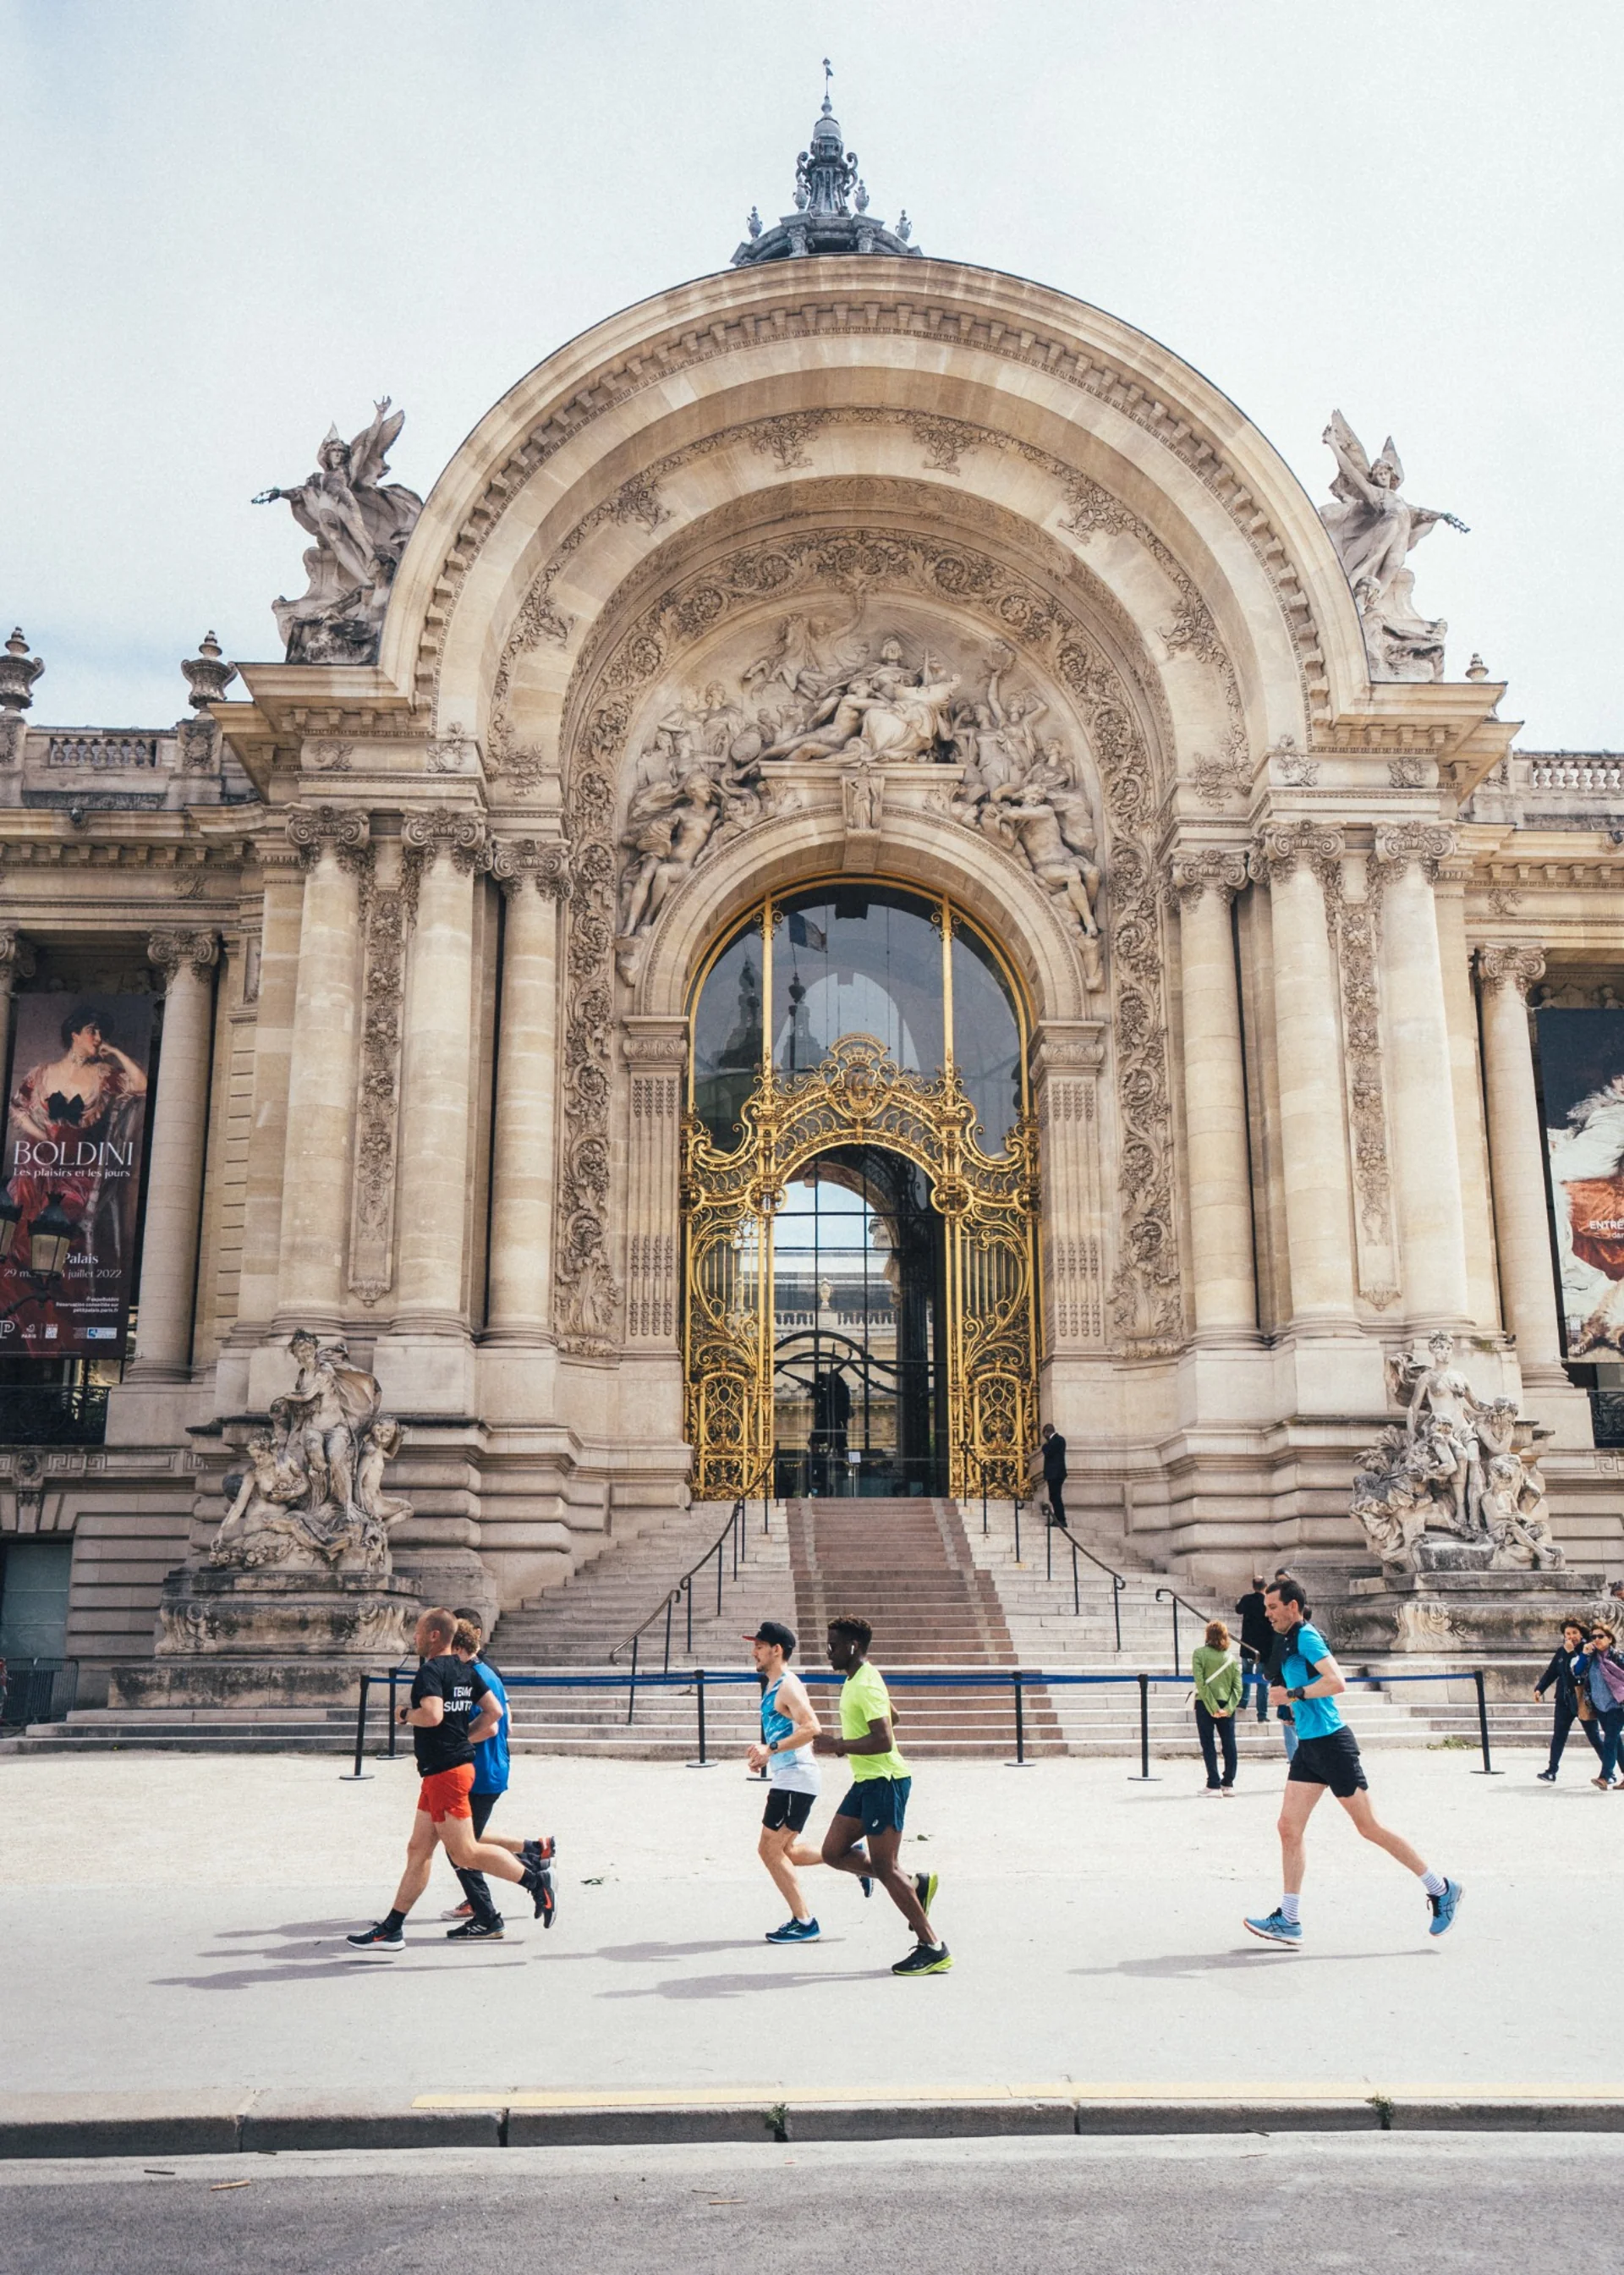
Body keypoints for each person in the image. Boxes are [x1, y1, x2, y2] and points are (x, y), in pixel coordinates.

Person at [1244, 1577, 1462, 1946]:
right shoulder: (1290, 1640)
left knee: (1369, 1827)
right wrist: (1292, 1708)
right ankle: (1290, 1918)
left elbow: (1337, 1682)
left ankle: (1441, 1888)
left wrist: (1293, 1694)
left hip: (1332, 1745)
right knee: (1288, 1828)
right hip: (1309, 1745)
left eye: (1272, 1608)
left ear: (1293, 1607)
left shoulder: (1307, 1637)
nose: (1267, 1615)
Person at [346, 1607, 552, 1954]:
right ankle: (392, 1928)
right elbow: (496, 1713)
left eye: (417, 1632)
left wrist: (403, 1715)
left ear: (433, 1636)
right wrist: (462, 1738)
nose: (413, 1637)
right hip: (444, 1771)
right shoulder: (465, 1670)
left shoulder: (430, 1671)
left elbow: (432, 1715)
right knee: (418, 1850)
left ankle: (536, 1883)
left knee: (466, 1851)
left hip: (445, 1773)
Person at [815, 1615, 949, 1976]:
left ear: (853, 1647)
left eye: (834, 1646)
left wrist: (838, 1745)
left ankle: (933, 1947)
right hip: (867, 1782)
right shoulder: (858, 1678)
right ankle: (915, 1884)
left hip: (885, 1781)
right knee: (833, 1852)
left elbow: (885, 1738)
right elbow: (895, 1717)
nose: (828, 1652)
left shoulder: (865, 1684)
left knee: (886, 1868)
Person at [440, 1612, 557, 1938]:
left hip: (480, 1769)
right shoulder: (485, 1672)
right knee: (465, 1840)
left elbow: (491, 1724)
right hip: (487, 1767)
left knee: (461, 1848)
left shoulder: (474, 1675)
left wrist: (454, 1740)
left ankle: (495, 1909)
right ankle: (534, 1855)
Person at [742, 1619, 826, 1943]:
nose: (754, 1652)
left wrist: (771, 1748)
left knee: (769, 1850)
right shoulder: (773, 1686)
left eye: (760, 1647)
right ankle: (849, 1854)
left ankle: (804, 1923)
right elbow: (785, 1732)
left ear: (777, 1650)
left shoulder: (788, 1684)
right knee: (785, 1850)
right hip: (789, 1777)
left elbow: (812, 1727)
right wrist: (763, 1754)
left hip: (796, 1779)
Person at [1533, 1619, 1604, 1782]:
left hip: (1583, 1700)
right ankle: (1551, 1770)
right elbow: (1552, 1672)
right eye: (1568, 1634)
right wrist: (1539, 1688)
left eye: (1574, 1633)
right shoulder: (1561, 1651)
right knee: (1559, 1735)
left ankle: (1610, 1770)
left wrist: (1572, 1653)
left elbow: (1578, 1671)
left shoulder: (1588, 1649)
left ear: (1581, 1633)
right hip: (1564, 1700)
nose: (1571, 1637)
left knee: (1594, 1737)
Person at [1191, 1619, 1242, 1795]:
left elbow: (1201, 1682)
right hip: (1227, 1702)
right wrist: (1228, 1708)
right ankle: (1228, 1782)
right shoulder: (1232, 1659)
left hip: (1205, 1703)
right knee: (1229, 1743)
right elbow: (1238, 1687)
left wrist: (1212, 1706)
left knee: (1208, 1743)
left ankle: (1213, 1783)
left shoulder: (1199, 1654)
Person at [1573, 1622, 1624, 1789]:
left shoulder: (1617, 1656)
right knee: (1616, 1742)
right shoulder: (1590, 1658)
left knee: (1609, 1740)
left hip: (1618, 1705)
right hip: (1600, 1706)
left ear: (1609, 1639)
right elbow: (1577, 1671)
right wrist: (1584, 1654)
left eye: (1600, 1636)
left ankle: (1604, 1776)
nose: (1596, 1640)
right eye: (1593, 1637)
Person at [1234, 1575, 1272, 1723]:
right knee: (1262, 1680)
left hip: (1247, 1645)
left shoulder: (1247, 1599)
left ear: (1253, 1586)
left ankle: (1243, 1701)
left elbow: (1238, 1610)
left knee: (1246, 1674)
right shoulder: (1267, 1601)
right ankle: (1261, 1713)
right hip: (1264, 1647)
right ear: (1265, 1586)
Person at [1039, 1422, 1067, 1529]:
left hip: (1054, 1475)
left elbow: (1048, 1452)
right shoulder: (1061, 1440)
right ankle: (1060, 1519)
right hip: (1059, 1474)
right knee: (1056, 1497)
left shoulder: (1052, 1442)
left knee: (1055, 1497)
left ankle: (1061, 1520)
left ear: (1046, 1432)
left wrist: (1045, 1446)